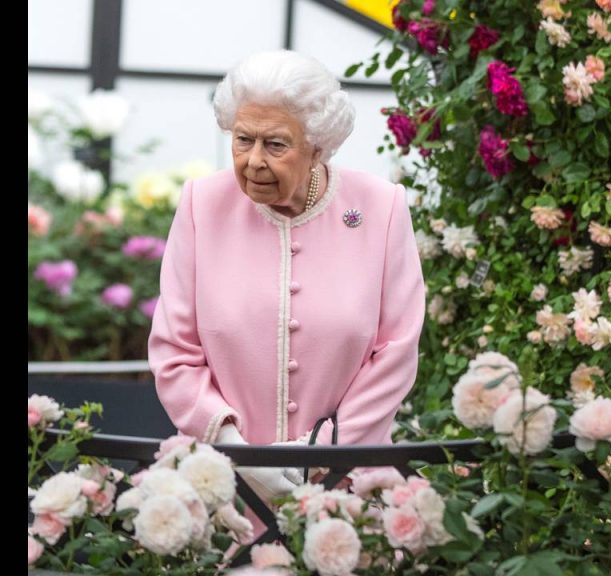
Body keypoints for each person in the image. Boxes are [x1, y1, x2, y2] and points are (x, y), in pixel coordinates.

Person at [148, 50, 425, 502]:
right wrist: (236, 453)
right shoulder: (202, 204)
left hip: (347, 484)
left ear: (318, 146)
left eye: (275, 144)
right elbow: (175, 352)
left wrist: (320, 453)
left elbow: (396, 352)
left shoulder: (381, 207)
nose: (254, 160)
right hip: (223, 487)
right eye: (243, 140)